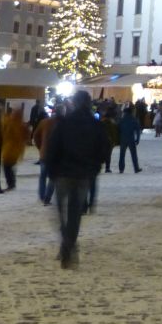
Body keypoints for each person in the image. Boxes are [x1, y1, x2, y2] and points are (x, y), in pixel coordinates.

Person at [44, 91, 110, 269]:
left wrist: (51, 170)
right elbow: (104, 149)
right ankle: (69, 245)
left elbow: (53, 147)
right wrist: (94, 167)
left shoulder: (65, 123)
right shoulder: (96, 125)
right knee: (74, 214)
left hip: (63, 173)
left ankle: (66, 245)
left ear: (74, 103)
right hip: (83, 174)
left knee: (62, 212)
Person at [32, 106, 59, 204]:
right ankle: (47, 197)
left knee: (43, 175)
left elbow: (35, 135)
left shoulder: (44, 122)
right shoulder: (63, 123)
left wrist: (40, 146)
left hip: (44, 153)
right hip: (56, 155)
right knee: (53, 177)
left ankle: (42, 195)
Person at [0, 106, 27, 191]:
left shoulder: (11, 123)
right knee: (10, 166)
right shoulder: (21, 125)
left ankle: (11, 183)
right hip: (17, 150)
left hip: (9, 150)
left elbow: (4, 131)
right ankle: (12, 182)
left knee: (6, 166)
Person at [117, 107, 142, 173]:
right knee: (133, 154)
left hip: (123, 139)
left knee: (122, 154)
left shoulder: (122, 120)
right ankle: (136, 168)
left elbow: (118, 129)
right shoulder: (134, 119)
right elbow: (138, 130)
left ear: (125, 112)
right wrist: (138, 139)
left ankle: (121, 169)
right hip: (131, 139)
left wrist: (118, 139)